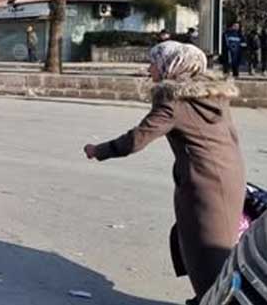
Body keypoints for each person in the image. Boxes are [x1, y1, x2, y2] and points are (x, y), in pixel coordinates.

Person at [83, 41, 245, 302]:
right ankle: (210, 297)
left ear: (171, 65)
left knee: (208, 249)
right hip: (228, 175)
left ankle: (214, 299)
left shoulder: (174, 100)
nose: (149, 69)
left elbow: (136, 139)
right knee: (209, 243)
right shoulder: (212, 95)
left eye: (154, 63)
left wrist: (98, 150)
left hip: (204, 183)